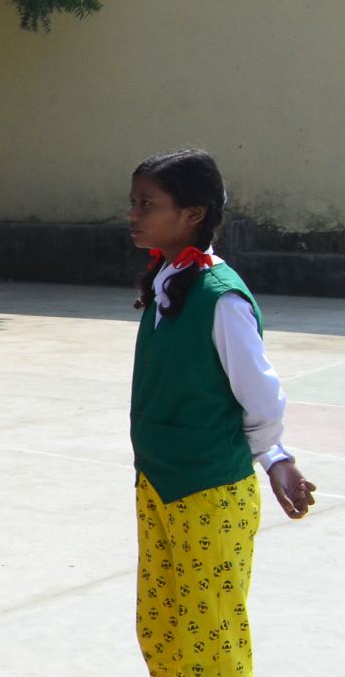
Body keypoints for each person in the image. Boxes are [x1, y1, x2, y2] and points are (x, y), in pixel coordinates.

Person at [124, 149, 316, 676]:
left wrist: (275, 457)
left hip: (208, 492)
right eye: (133, 202)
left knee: (210, 636)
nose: (133, 214)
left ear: (192, 214)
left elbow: (261, 394)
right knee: (160, 628)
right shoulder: (168, 279)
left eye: (148, 203)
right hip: (159, 483)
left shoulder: (220, 297)